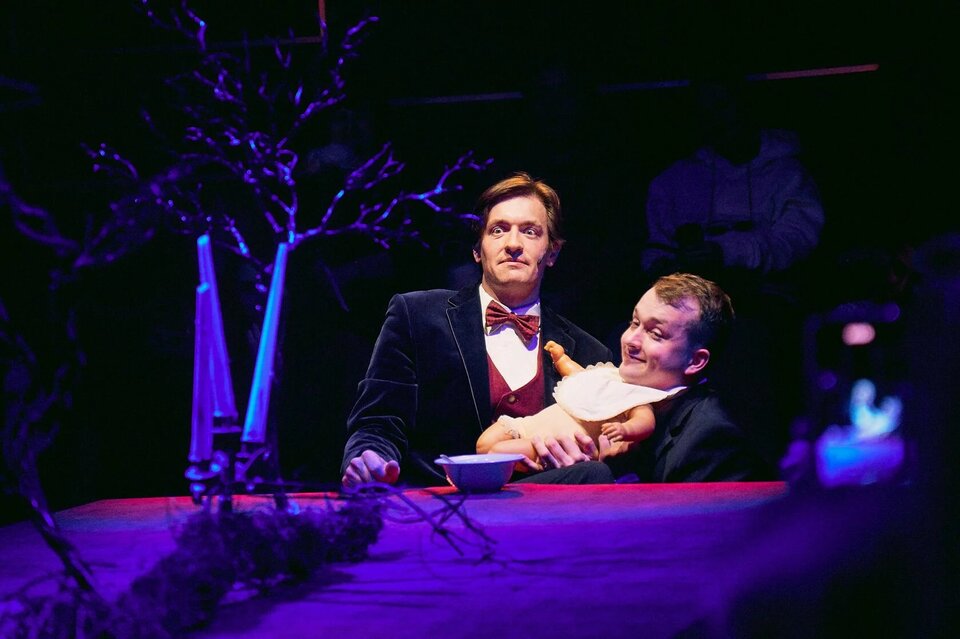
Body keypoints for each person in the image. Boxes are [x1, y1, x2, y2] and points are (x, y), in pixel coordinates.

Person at [340, 172, 613, 489]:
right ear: (477, 249)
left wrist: (587, 453)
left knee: (595, 476)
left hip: (542, 507)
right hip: (438, 504)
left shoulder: (589, 354)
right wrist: (370, 458)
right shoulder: (416, 316)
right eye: (498, 230)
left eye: (530, 232)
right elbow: (379, 420)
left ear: (552, 252)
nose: (513, 244)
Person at [520, 272, 774, 483]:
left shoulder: (713, 437)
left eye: (655, 334)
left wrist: (606, 478)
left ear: (695, 361)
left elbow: (687, 526)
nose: (630, 340)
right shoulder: (620, 401)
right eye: (634, 323)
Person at [476, 340, 677, 467]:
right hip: (525, 425)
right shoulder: (610, 376)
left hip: (546, 444)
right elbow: (578, 375)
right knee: (484, 444)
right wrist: (561, 359)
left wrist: (625, 429)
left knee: (497, 453)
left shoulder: (637, 396)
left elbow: (645, 422)